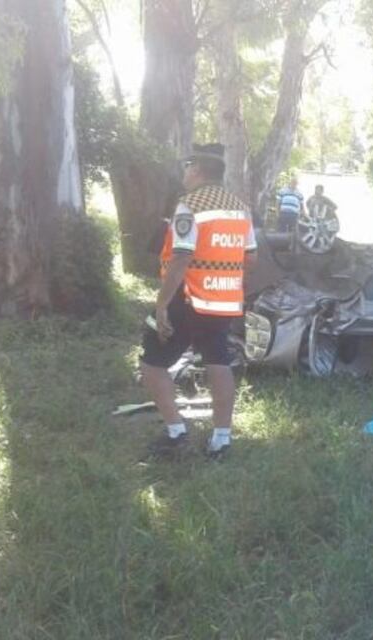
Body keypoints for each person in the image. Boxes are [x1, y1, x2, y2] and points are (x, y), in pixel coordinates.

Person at [140, 143, 257, 459]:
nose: (185, 174)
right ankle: (222, 438)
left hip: (187, 299)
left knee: (152, 363)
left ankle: (176, 432)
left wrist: (162, 304)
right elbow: (252, 257)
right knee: (218, 361)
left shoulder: (190, 206)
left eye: (187, 168)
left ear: (196, 170)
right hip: (223, 301)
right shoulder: (241, 208)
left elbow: (180, 259)